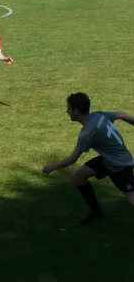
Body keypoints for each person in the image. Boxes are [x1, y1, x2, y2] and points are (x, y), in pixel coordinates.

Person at [42, 93, 134, 223]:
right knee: (78, 176)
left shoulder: (88, 132)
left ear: (76, 111)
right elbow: (122, 114)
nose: (66, 111)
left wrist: (52, 166)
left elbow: (73, 158)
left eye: (68, 108)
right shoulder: (98, 115)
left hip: (120, 164)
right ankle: (96, 213)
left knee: (130, 195)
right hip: (108, 159)